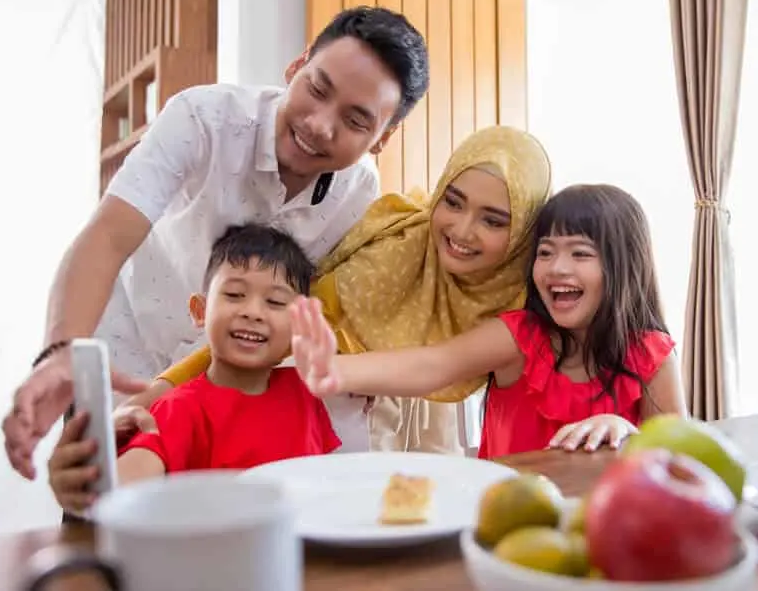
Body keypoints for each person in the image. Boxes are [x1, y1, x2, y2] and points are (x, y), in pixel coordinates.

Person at [3, 6, 429, 479]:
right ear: (297, 65)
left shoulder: (361, 195)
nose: (318, 125)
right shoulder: (202, 118)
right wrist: (61, 351)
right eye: (317, 88)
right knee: (102, 515)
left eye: (355, 121)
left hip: (226, 392)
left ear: (382, 138)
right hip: (128, 360)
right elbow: (107, 236)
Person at [126, 126, 553, 455]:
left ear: (524, 230)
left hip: (429, 431)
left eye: (494, 220)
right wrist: (163, 389)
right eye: (453, 202)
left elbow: (439, 369)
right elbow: (275, 326)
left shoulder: (527, 294)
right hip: (319, 407)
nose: (462, 230)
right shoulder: (390, 246)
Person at [289, 184, 688, 459]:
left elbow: (678, 461)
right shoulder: (521, 338)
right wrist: (332, 369)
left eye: (580, 254)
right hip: (502, 527)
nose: (556, 269)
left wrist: (626, 431)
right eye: (546, 253)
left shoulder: (651, 355)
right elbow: (433, 365)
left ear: (623, 267)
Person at [48, 225, 340, 514]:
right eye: (235, 295)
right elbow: (117, 493)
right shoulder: (179, 408)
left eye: (275, 302)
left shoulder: (304, 392)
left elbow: (328, 484)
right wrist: (86, 475)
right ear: (200, 311)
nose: (252, 312)